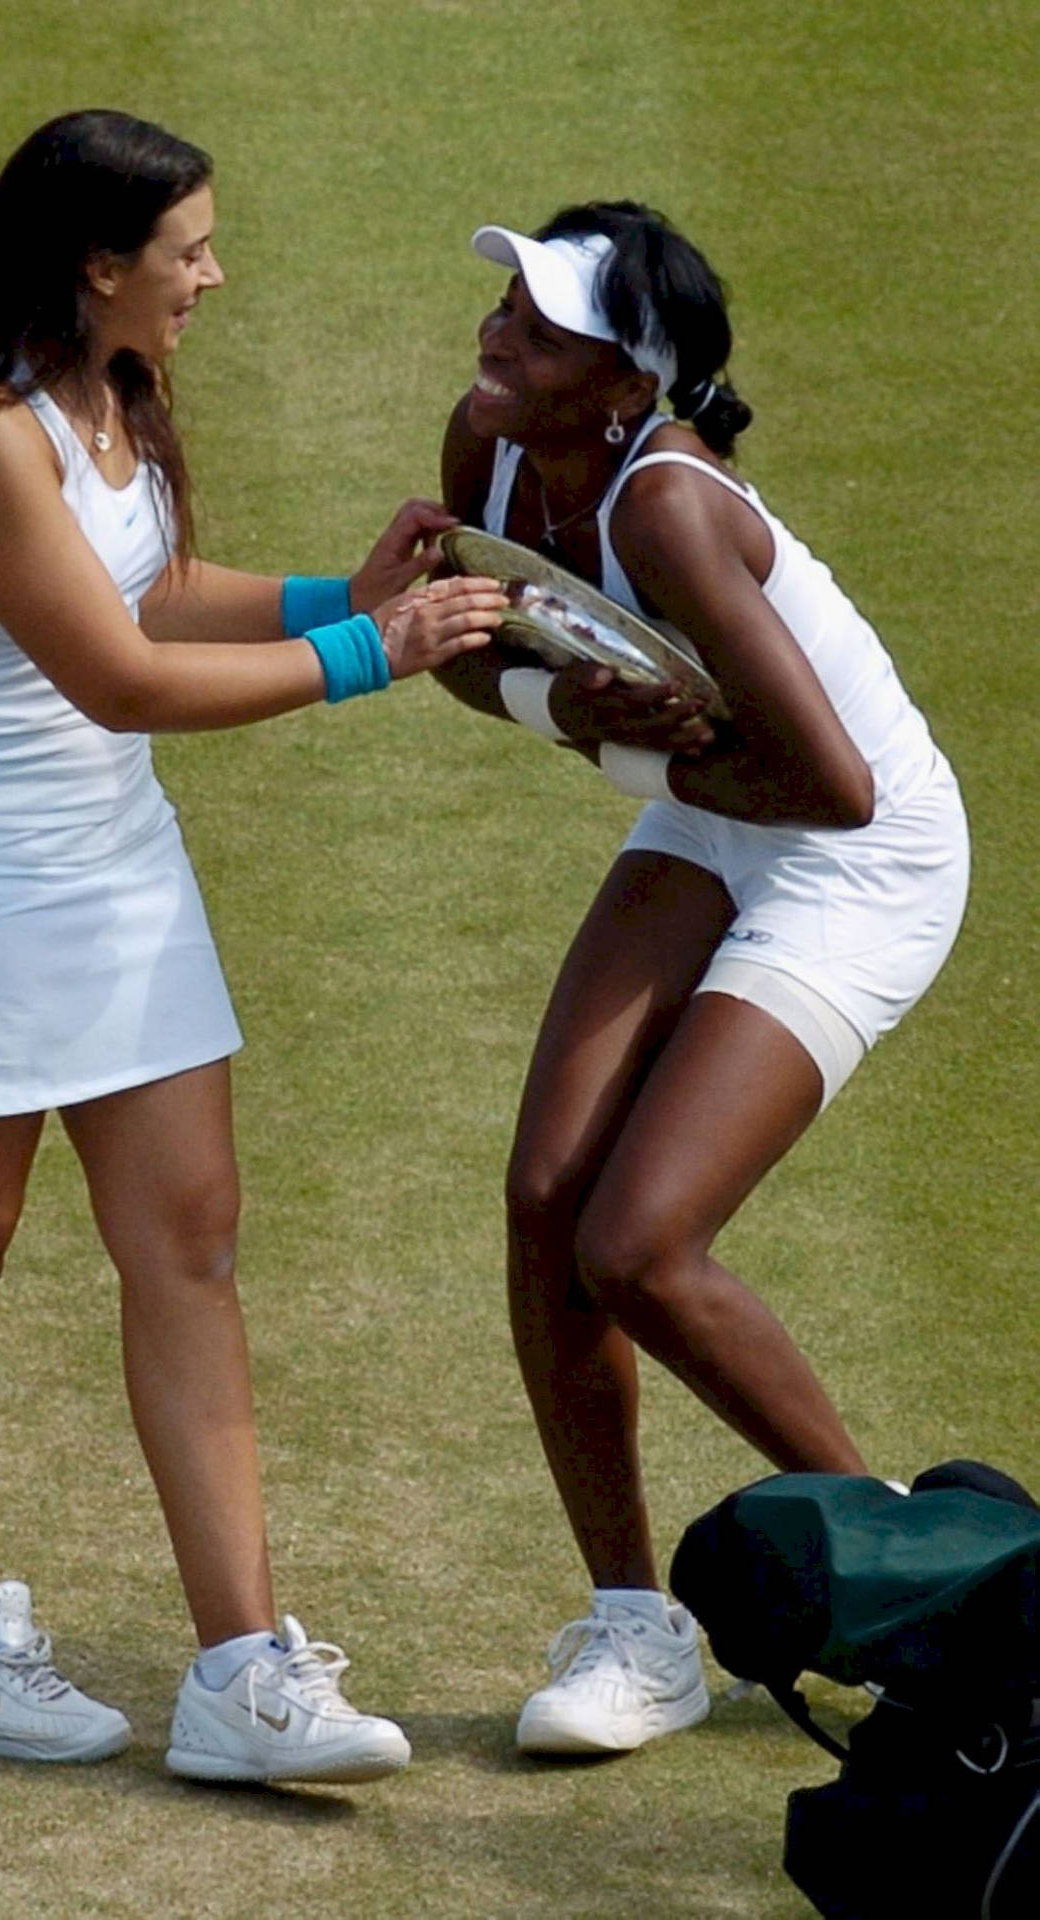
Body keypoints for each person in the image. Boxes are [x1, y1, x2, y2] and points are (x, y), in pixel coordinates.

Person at [0, 109, 506, 1784]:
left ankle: (245, 1672)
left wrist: (337, 591)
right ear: (96, 264)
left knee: (191, 1245)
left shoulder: (112, 393)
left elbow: (152, 591)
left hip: (114, 875)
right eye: (188, 253)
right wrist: (373, 656)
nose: (212, 277)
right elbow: (116, 680)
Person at [434, 201, 969, 1758]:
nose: (495, 341)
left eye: (536, 329)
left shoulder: (668, 504)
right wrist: (566, 709)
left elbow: (837, 787)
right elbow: (473, 654)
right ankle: (630, 1627)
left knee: (642, 1246)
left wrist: (610, 731)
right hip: (715, 810)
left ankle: (930, 1591)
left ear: (618, 387)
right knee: (547, 1201)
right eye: (504, 311)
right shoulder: (488, 442)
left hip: (857, 856)